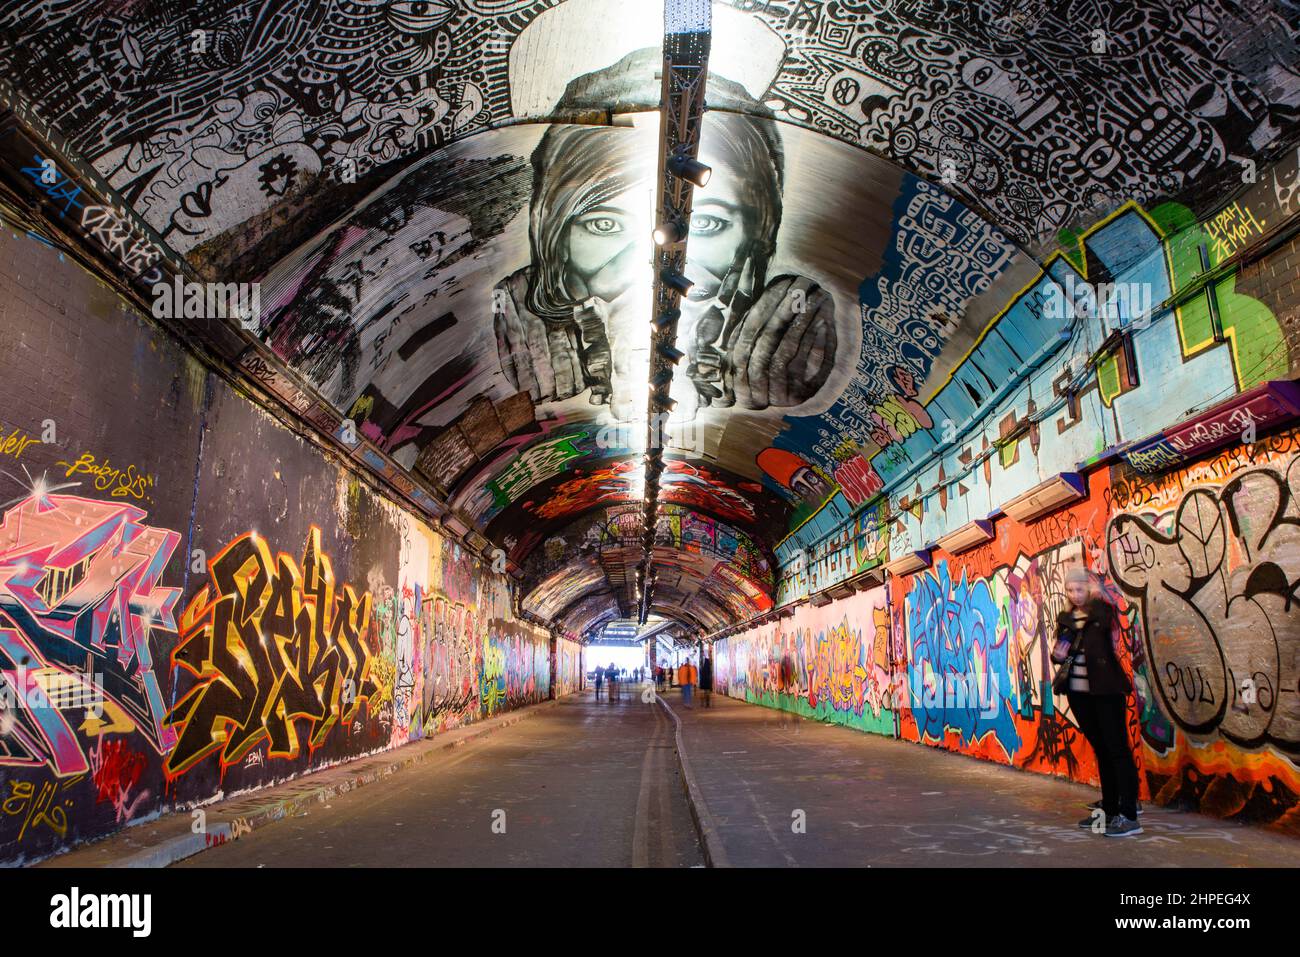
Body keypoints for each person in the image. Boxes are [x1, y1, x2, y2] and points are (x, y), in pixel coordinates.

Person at [1055, 566, 1142, 837]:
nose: (1075, 594)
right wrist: (1058, 653)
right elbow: (1060, 655)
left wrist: (1092, 598)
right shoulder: (1065, 618)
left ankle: (1129, 815)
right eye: (1070, 590)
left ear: (1088, 588)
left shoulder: (1100, 611)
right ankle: (1109, 811)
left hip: (1105, 691)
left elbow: (1106, 623)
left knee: (1117, 749)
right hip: (1079, 694)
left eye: (1079, 589)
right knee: (1101, 750)